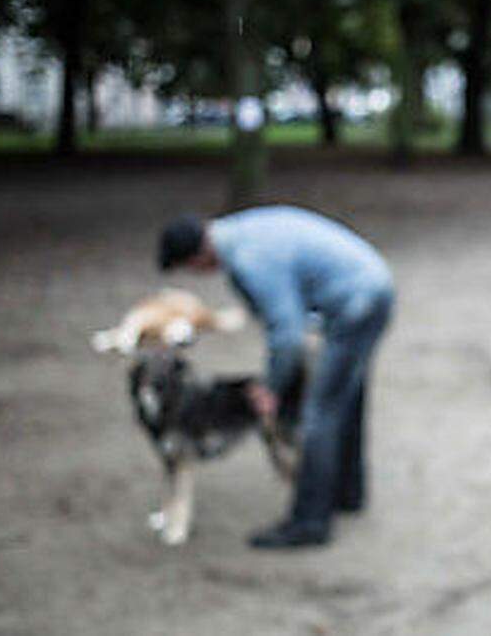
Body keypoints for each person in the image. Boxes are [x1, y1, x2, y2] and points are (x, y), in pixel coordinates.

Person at [158, 206, 394, 548]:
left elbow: (286, 333)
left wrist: (272, 387)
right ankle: (348, 493)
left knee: (320, 413)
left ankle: (310, 522)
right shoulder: (240, 232)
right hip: (371, 285)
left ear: (198, 257)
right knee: (347, 396)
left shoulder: (248, 258)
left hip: (357, 302)